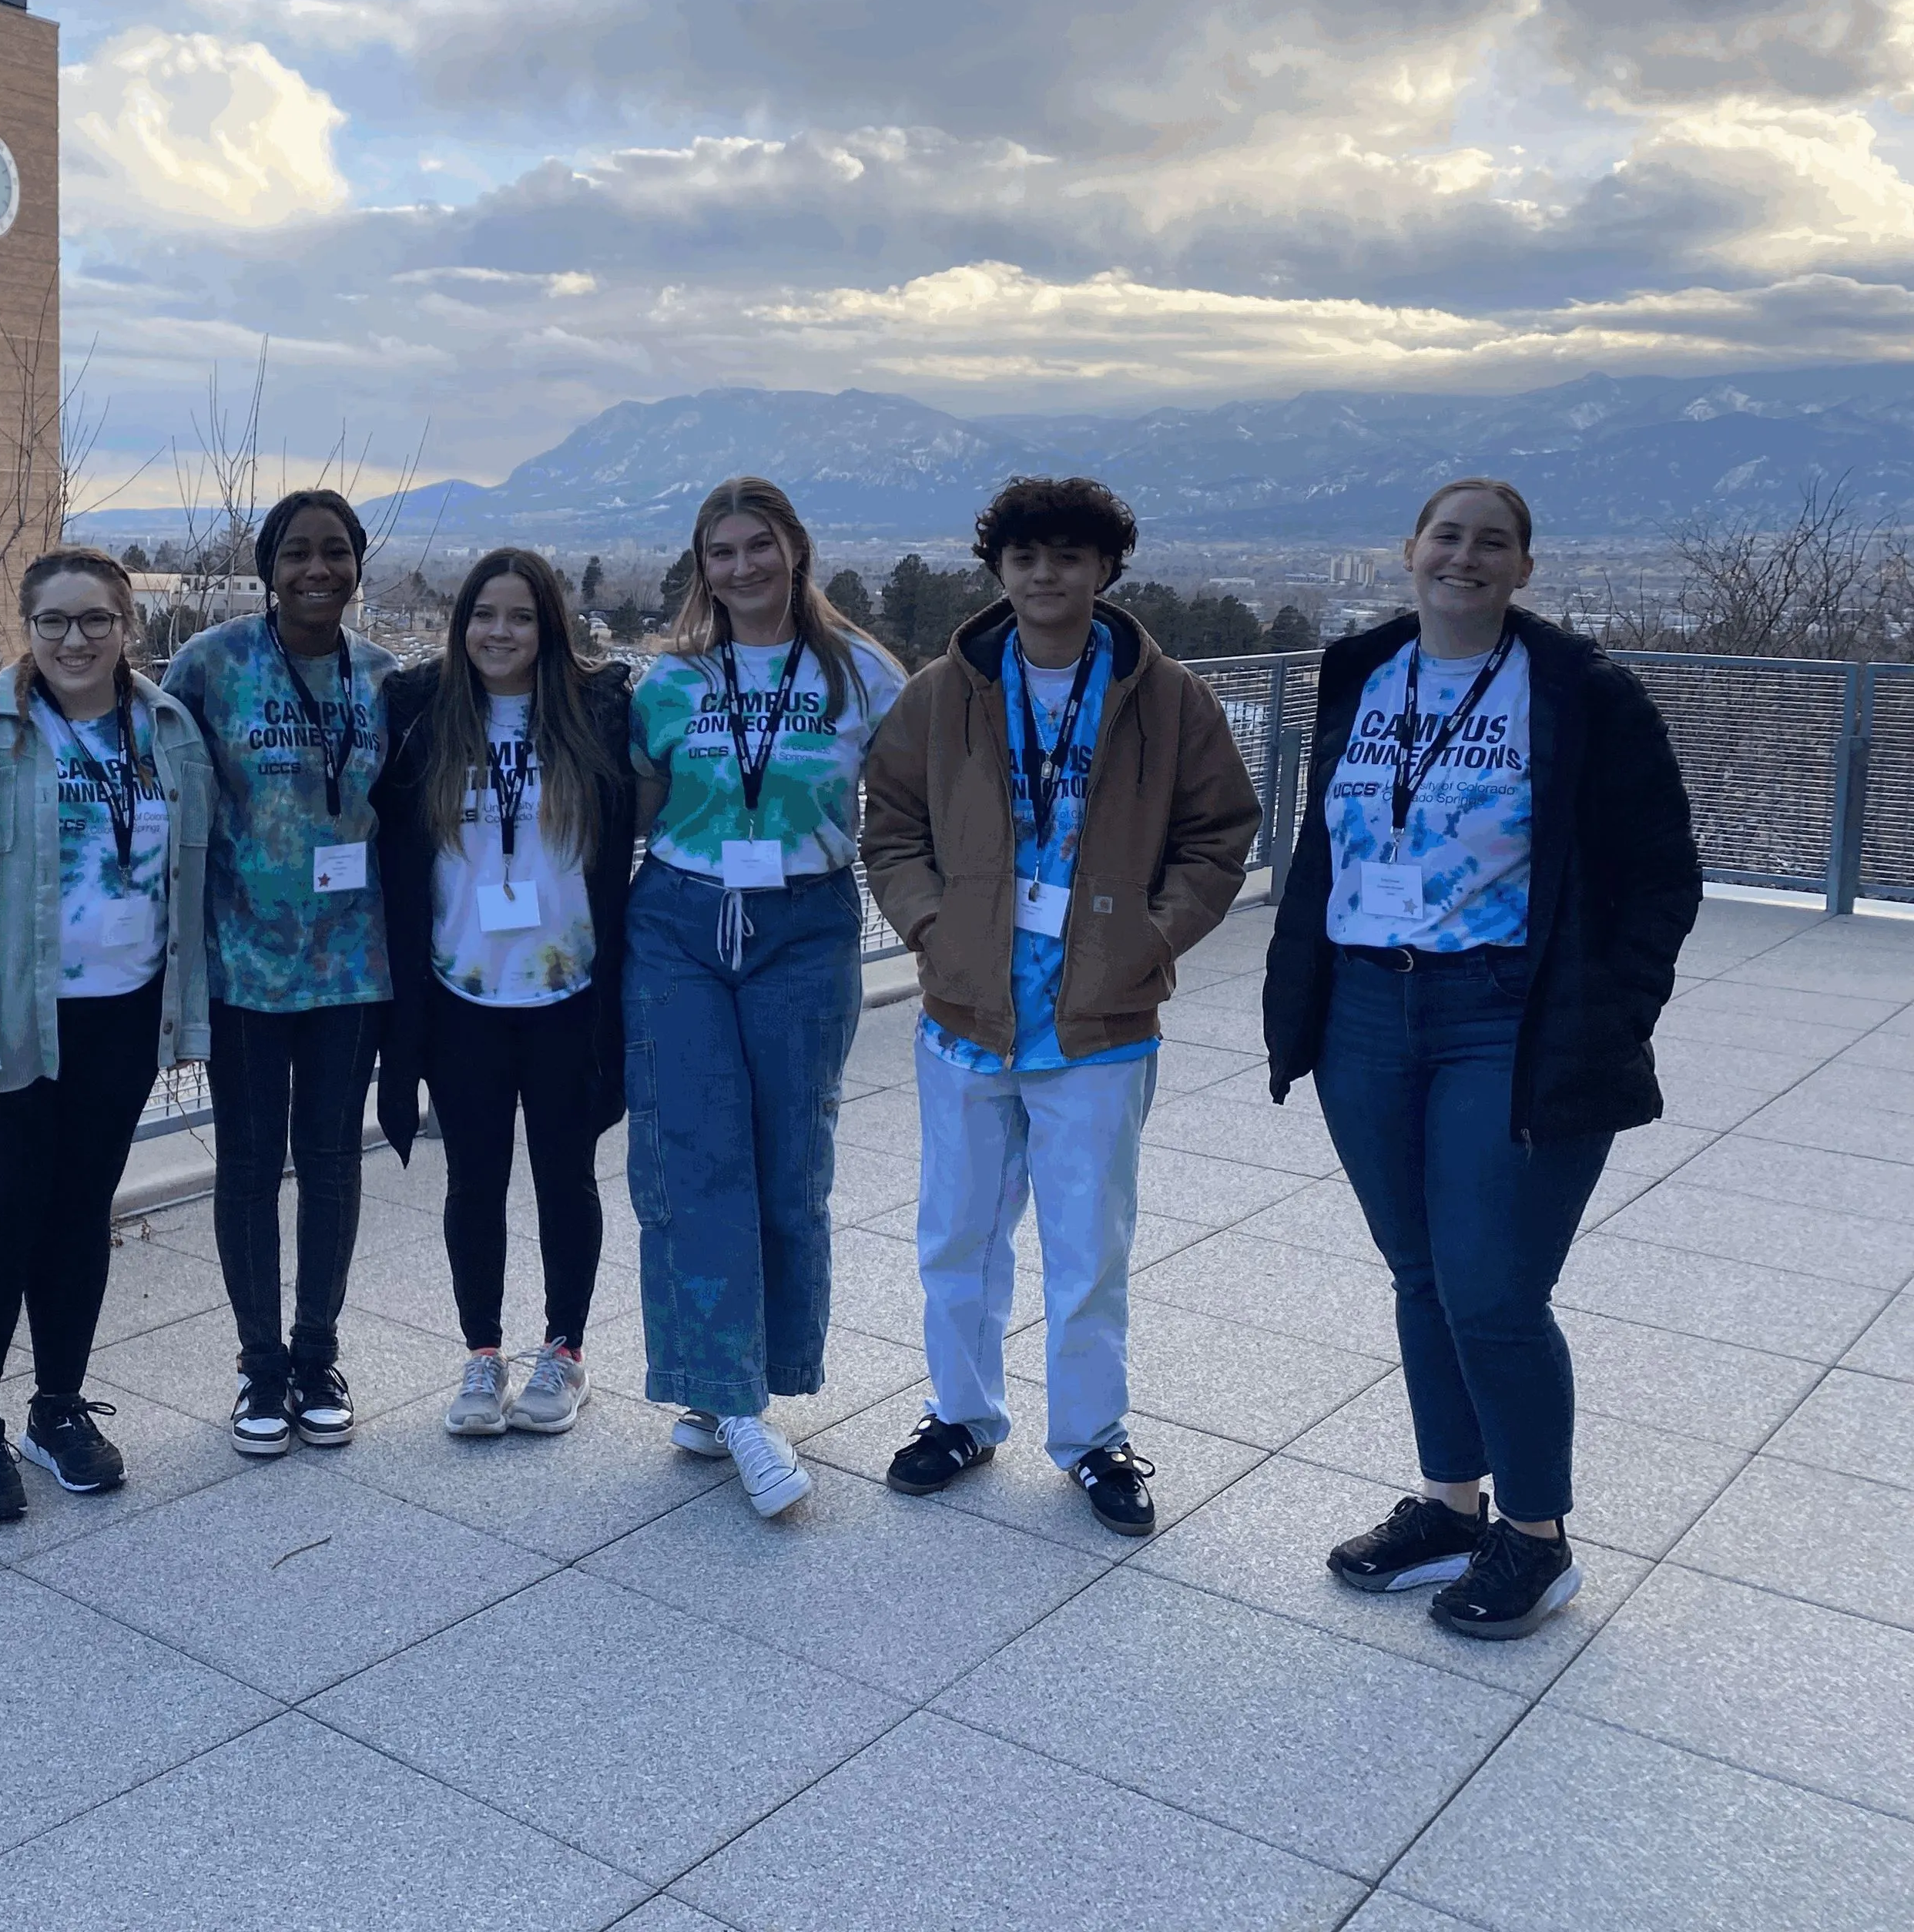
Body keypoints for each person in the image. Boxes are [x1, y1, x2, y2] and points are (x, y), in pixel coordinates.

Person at [1265, 478, 1698, 1639]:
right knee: (1419, 1273)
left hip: (1505, 1016)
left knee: (1495, 1291)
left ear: (1523, 568)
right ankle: (1452, 1505)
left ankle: (1538, 1537)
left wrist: (1613, 1014)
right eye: (1446, 536)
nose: (1464, 557)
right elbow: (1338, 840)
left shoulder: (1581, 691)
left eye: (1491, 543)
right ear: (1408, 552)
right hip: (1366, 1008)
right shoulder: (1361, 671)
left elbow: (1662, 871)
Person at [861, 477, 1259, 1538]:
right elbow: (891, 823)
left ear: (1106, 571)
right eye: (1028, 556)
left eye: (1070, 557)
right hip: (966, 1009)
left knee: (1089, 1245)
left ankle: (1092, 1439)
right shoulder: (946, 692)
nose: (1047, 575)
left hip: (1100, 1019)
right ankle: (961, 1415)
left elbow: (1222, 831)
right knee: (958, 1234)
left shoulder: (1165, 697)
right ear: (1000, 568)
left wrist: (1155, 936)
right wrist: (933, 929)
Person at [0, 549, 214, 1520]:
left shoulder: (165, 730)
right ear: (26, 630)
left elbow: (193, 877)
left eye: (96, 621)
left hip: (117, 1014)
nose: (75, 640)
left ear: (130, 627)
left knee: (79, 1216)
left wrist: (189, 1010)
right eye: (54, 623)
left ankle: (58, 1410)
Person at [626, 476, 906, 1516]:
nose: (740, 567)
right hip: (681, 926)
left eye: (758, 546)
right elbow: (634, 807)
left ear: (796, 549)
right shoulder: (671, 683)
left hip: (804, 924)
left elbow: (915, 804)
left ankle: (733, 1382)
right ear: (702, 566)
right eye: (720, 551)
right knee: (693, 1157)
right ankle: (736, 1406)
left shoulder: (865, 675)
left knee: (794, 1164)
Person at [372, 548, 635, 1437]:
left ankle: (564, 1352)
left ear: (548, 626)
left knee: (568, 1177)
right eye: (484, 614)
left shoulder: (600, 712)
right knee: (472, 1181)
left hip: (569, 991)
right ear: (461, 621)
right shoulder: (419, 713)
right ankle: (482, 1354)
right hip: (461, 993)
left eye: (520, 616)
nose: (500, 632)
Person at [163, 489, 396, 1454]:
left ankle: (318, 1353)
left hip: (352, 968)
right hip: (244, 966)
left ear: (356, 564)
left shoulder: (386, 678)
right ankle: (261, 1369)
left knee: (335, 1164)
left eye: (335, 552)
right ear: (268, 567)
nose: (316, 570)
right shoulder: (210, 665)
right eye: (297, 552)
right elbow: (155, 784)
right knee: (252, 1168)